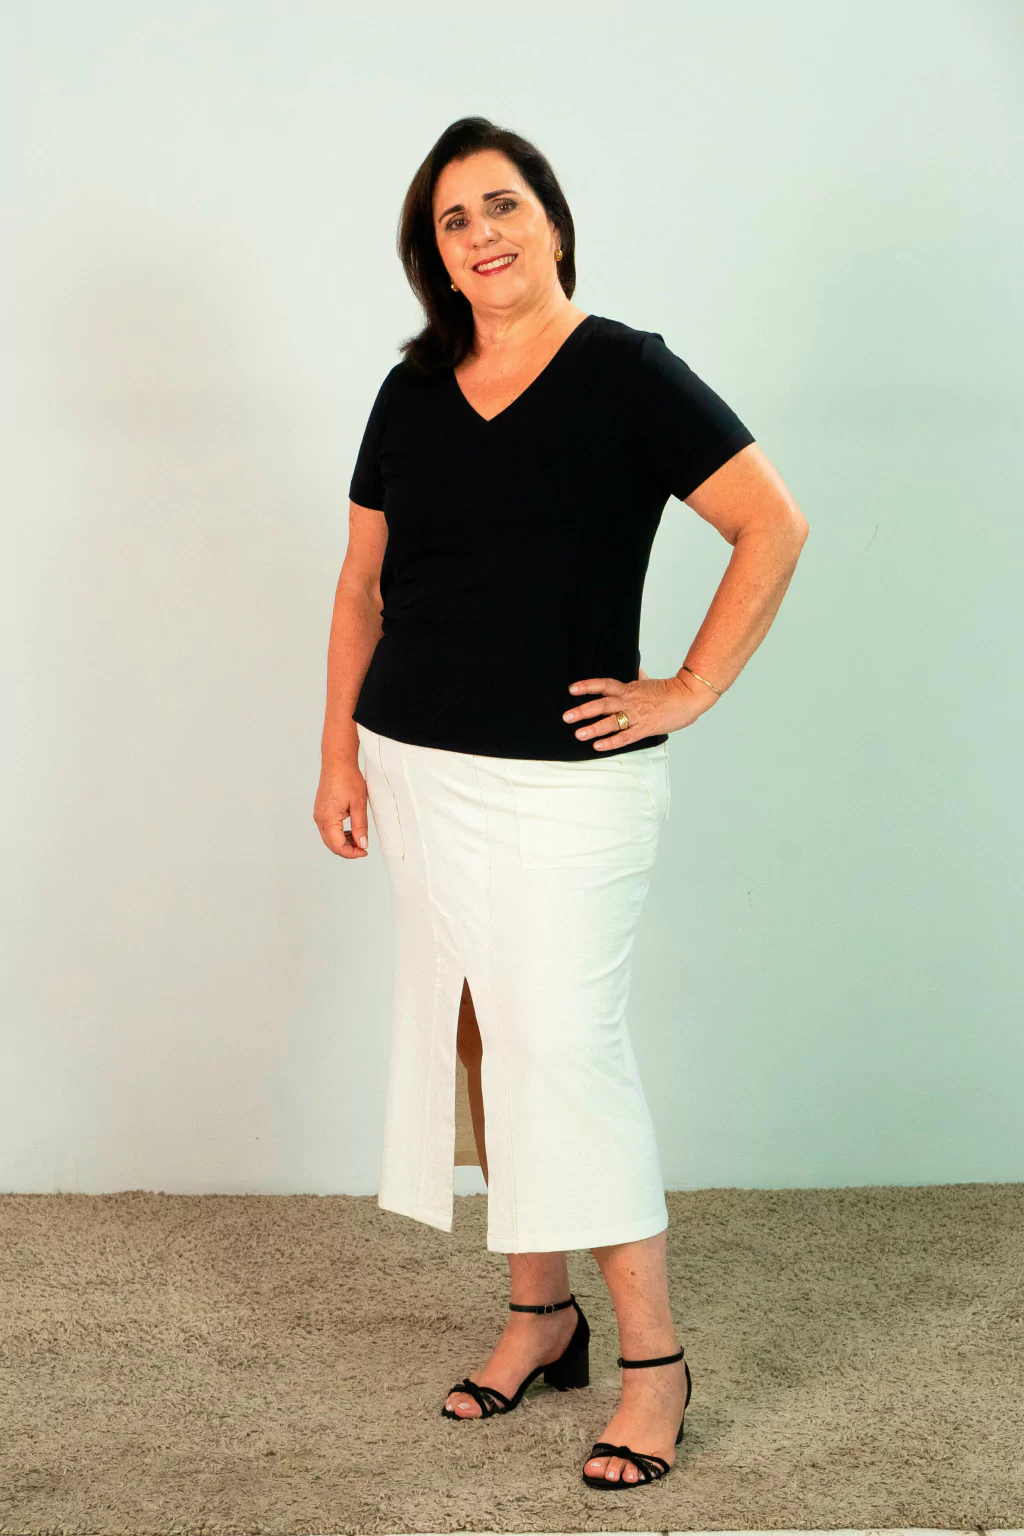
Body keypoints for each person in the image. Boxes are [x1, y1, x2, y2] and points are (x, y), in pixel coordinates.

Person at [314, 115, 808, 1491]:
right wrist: (338, 756)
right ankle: (542, 1314)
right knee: (481, 1031)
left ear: (551, 220)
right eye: (453, 220)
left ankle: (657, 1361)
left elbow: (772, 523)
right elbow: (361, 586)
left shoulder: (627, 373)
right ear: (434, 257)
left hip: (570, 781)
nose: (481, 234)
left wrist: (690, 688)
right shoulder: (411, 391)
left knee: (565, 1048)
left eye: (502, 205)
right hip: (416, 764)